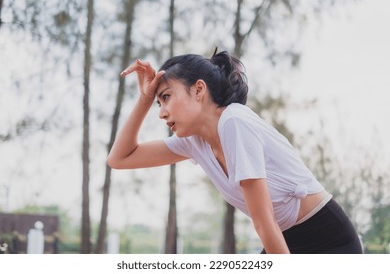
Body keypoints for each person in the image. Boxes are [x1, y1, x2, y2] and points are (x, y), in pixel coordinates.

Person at [107, 50, 363, 254]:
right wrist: (144, 98)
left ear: (198, 89)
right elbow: (119, 158)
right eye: (158, 102)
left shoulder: (235, 123)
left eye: (166, 97)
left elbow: (264, 223)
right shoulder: (193, 140)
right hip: (285, 238)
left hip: (328, 241)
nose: (162, 112)